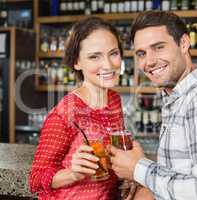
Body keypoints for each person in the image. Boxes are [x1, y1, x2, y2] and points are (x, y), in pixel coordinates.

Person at [109, 11, 197, 200]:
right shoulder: (177, 97)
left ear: (184, 43)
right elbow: (181, 175)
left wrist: (138, 168)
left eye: (158, 47)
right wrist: (142, 176)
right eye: (141, 53)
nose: (149, 62)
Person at [29, 17, 126, 199]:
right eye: (94, 56)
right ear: (76, 62)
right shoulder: (66, 111)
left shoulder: (114, 99)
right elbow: (36, 179)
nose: (108, 64)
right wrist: (73, 173)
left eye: (113, 53)